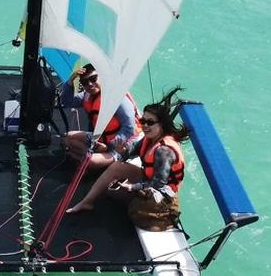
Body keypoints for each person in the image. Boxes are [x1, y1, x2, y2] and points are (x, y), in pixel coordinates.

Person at [66, 87, 186, 215]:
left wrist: (133, 187)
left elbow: (158, 184)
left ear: (162, 125)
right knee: (116, 168)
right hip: (147, 177)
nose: (145, 125)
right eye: (143, 121)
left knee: (113, 193)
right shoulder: (149, 139)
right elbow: (130, 151)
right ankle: (87, 202)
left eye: (150, 122)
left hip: (162, 193)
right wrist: (118, 149)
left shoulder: (164, 151)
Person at [57, 64, 141, 170]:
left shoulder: (118, 98)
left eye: (93, 79)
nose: (90, 84)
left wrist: (108, 146)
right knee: (66, 138)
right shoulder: (86, 96)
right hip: (101, 139)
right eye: (85, 82)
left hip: (121, 144)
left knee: (90, 161)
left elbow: (129, 128)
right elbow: (67, 102)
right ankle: (88, 158)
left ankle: (87, 160)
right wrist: (70, 80)